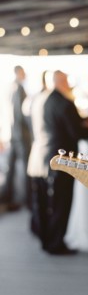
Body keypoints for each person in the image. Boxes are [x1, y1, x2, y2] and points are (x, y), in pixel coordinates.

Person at [27, 70, 88, 255]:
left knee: (44, 203)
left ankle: (45, 239)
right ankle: (56, 243)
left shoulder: (38, 99)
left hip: (38, 158)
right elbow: (78, 133)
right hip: (59, 160)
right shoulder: (64, 103)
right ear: (61, 82)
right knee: (60, 203)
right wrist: (87, 125)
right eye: (66, 80)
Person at [0, 65, 32, 211]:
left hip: (13, 134)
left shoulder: (11, 87)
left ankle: (7, 197)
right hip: (20, 135)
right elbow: (19, 115)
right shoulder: (18, 88)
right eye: (23, 72)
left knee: (11, 168)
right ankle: (28, 200)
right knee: (26, 168)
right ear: (19, 73)